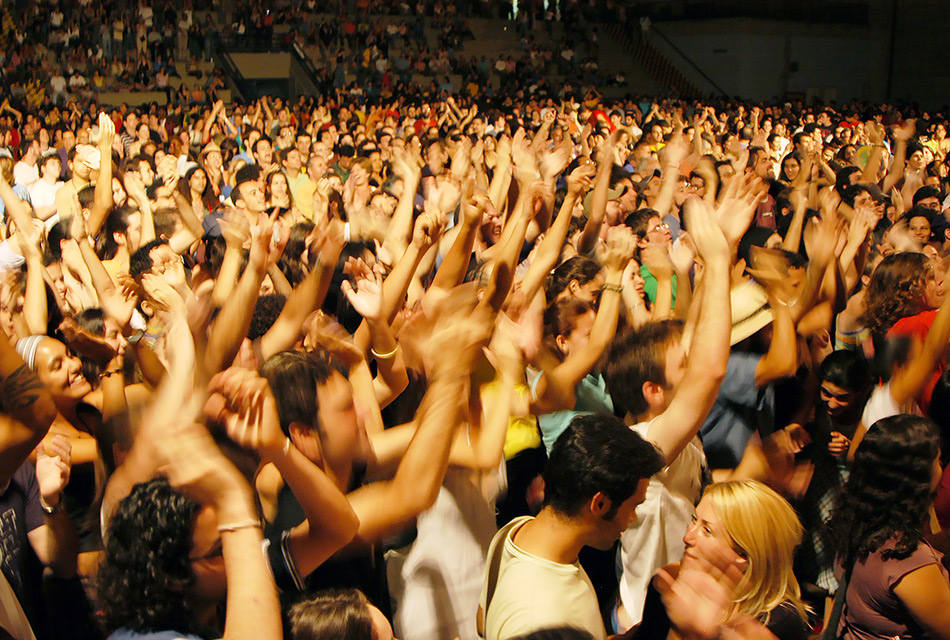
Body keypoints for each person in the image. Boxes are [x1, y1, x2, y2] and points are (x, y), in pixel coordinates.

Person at [478, 413, 666, 640]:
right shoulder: (539, 616)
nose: (633, 517)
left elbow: (483, 620)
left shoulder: (518, 531)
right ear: (600, 503)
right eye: (634, 506)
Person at [826, 414, 950, 640]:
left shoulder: (857, 524)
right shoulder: (909, 559)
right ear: (917, 478)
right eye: (939, 460)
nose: (941, 468)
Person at [636, 480, 811, 640]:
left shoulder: (777, 622)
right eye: (694, 520)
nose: (688, 537)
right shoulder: (668, 585)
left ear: (744, 556)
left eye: (707, 531)